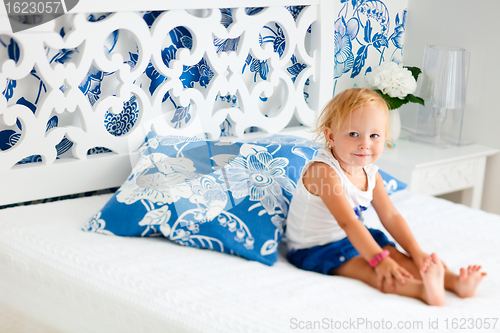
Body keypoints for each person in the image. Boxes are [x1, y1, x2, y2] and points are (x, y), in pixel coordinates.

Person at [285, 87, 486, 306]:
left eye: (374, 136)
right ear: (331, 136)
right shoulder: (323, 171)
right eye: (353, 134)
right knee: (369, 268)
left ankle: (456, 282)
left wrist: (417, 253)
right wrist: (378, 260)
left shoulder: (371, 174)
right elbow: (348, 222)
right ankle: (423, 291)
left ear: (384, 138)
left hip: (353, 236)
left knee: (396, 256)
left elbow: (390, 215)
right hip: (315, 247)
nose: (365, 144)